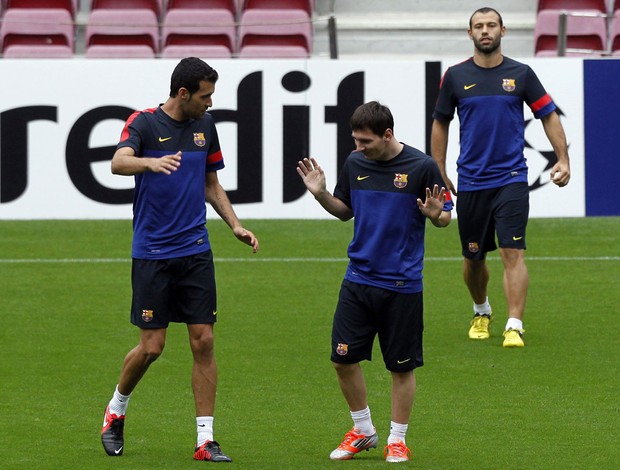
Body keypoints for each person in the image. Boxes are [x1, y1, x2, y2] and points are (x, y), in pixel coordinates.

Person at [100, 57, 259, 462]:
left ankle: (205, 440)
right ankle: (116, 410)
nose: (210, 103)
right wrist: (149, 161)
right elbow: (118, 162)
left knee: (203, 340)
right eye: (205, 96)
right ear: (183, 93)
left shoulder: (206, 126)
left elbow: (211, 183)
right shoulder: (145, 123)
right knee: (152, 347)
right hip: (153, 253)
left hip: (195, 251)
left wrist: (235, 225)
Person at [297, 101, 452, 463]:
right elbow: (344, 211)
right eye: (355, 140)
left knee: (401, 368)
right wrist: (320, 194)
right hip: (358, 280)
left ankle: (397, 439)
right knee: (342, 359)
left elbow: (444, 216)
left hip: (402, 286)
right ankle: (363, 429)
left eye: (365, 141)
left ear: (387, 134)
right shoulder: (355, 164)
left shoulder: (422, 167)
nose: (358, 148)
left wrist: (436, 215)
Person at [431, 7, 571, 348]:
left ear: (503, 31)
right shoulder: (454, 76)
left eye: (491, 25)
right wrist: (439, 169)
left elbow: (548, 116)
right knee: (474, 257)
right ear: (470, 34)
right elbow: (440, 123)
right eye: (478, 26)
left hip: (511, 178)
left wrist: (563, 158)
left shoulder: (521, 74)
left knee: (513, 251)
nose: (485, 31)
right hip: (472, 180)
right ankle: (481, 310)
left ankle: (514, 324)